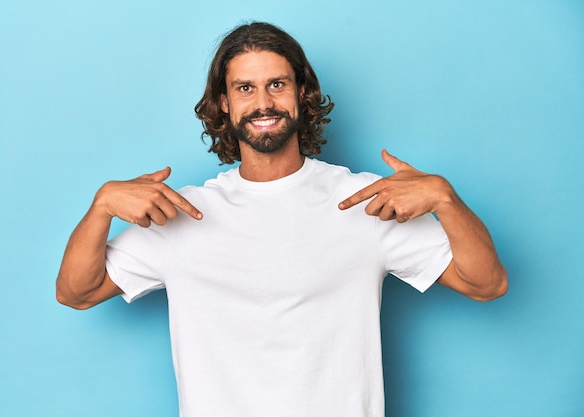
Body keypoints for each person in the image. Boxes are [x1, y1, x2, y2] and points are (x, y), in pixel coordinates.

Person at [56, 21, 507, 417]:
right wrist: (100, 209)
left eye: (277, 84)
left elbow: (486, 283)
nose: (263, 102)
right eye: (245, 88)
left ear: (302, 93)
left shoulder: (366, 200)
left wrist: (447, 200)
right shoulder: (183, 214)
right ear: (224, 104)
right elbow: (78, 292)